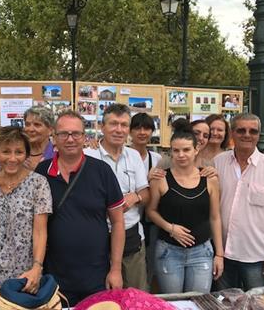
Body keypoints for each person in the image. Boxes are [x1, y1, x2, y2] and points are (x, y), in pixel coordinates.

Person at [35, 110, 125, 306]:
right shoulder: (41, 173)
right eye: (63, 134)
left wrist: (116, 269)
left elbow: (118, 222)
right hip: (54, 276)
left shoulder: (102, 171)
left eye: (76, 133)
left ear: (84, 137)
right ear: (54, 138)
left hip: (96, 275)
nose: (70, 139)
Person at [214, 113, 264, 291]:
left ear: (259, 135)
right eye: (241, 130)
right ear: (232, 133)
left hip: (257, 258)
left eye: (253, 131)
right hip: (223, 254)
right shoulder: (218, 163)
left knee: (258, 304)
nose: (247, 135)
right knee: (224, 304)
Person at [146, 119, 224, 294]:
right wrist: (170, 227)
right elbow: (151, 211)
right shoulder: (161, 178)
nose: (181, 155)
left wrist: (219, 254)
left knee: (198, 302)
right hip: (169, 251)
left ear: (196, 150)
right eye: (176, 150)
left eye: (186, 150)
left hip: (202, 250)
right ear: (171, 153)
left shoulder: (210, 178)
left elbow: (215, 217)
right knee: (173, 303)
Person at [84, 104, 150, 291]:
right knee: (100, 295)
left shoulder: (134, 155)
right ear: (102, 127)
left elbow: (146, 193)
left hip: (131, 237)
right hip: (97, 236)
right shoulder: (87, 155)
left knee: (135, 295)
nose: (119, 130)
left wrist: (135, 197)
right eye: (113, 124)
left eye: (124, 125)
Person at [0, 127, 52, 294]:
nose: (12, 158)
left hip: (25, 273)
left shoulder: (38, 184)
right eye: (6, 151)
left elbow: (40, 231)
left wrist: (37, 267)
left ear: (26, 154)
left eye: (19, 152)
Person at [128, 112, 162, 287]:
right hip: (128, 220)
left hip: (149, 221)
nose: (142, 132)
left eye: (147, 128)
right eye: (137, 128)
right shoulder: (124, 155)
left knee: (148, 266)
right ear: (130, 131)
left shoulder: (156, 159)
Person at [23, 106, 55, 170]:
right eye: (27, 124)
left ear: (50, 130)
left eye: (37, 125)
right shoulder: (17, 153)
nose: (30, 129)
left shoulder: (57, 155)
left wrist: (38, 170)